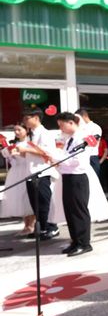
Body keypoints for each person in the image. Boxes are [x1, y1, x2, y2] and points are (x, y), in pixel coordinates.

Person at [51, 112, 94, 256]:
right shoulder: (70, 139)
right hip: (68, 176)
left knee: (78, 211)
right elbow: (66, 157)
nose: (60, 128)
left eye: (62, 125)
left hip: (77, 177)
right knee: (69, 210)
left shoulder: (81, 138)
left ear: (71, 122)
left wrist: (57, 159)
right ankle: (75, 241)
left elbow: (77, 160)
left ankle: (84, 243)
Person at [19, 106, 59, 240]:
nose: (24, 121)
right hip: (30, 172)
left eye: (27, 118)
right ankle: (41, 227)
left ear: (36, 118)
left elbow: (47, 152)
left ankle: (51, 227)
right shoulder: (30, 134)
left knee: (44, 202)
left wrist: (26, 150)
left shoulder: (45, 133)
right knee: (34, 203)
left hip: (42, 172)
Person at [0, 124, 35, 235]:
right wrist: (8, 153)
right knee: (19, 198)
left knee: (28, 197)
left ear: (26, 130)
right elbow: (11, 160)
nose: (16, 132)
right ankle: (26, 225)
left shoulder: (30, 142)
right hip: (16, 171)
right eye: (15, 130)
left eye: (19, 129)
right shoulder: (15, 143)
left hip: (26, 169)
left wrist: (18, 153)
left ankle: (31, 225)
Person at [74, 108, 103, 179]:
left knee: (94, 179)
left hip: (91, 157)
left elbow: (93, 141)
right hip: (80, 157)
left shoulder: (95, 127)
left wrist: (82, 137)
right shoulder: (78, 128)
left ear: (84, 116)